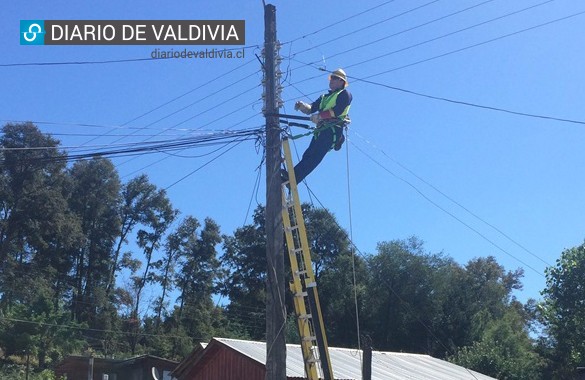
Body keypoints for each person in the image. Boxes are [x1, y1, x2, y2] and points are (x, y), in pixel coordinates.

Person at [285, 68, 352, 184]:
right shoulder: (324, 97)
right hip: (321, 130)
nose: (331, 80)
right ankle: (290, 178)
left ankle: (293, 179)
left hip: (333, 130)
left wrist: (320, 116)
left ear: (342, 82)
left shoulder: (345, 94)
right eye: (331, 78)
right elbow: (312, 108)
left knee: (315, 156)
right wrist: (303, 106)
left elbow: (336, 111)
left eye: (335, 78)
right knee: (308, 154)